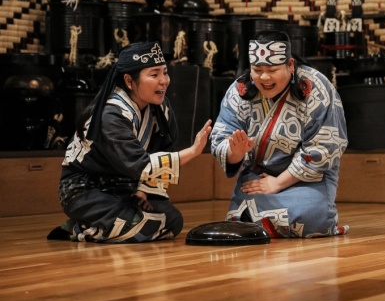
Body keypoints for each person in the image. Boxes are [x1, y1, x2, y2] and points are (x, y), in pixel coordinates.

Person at [48, 42, 212, 243]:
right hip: (85, 190)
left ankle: (107, 225)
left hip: (127, 188)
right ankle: (78, 229)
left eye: (165, 72)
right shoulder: (111, 115)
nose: (164, 81)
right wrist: (193, 151)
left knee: (173, 220)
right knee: (146, 225)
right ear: (129, 81)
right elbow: (141, 165)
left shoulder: (161, 109)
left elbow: (163, 150)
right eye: (154, 75)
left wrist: (143, 192)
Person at [210, 31, 349, 238]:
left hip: (309, 177)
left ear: (290, 65)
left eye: (272, 70)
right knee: (244, 216)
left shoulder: (317, 89)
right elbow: (221, 138)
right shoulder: (239, 91)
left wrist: (277, 183)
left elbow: (325, 147)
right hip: (259, 176)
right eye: (257, 70)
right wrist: (235, 152)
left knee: (311, 217)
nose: (264, 77)